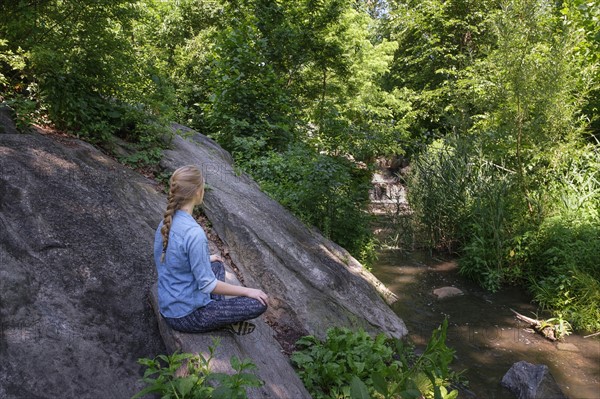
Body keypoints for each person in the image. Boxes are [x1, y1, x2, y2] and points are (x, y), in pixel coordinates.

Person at [153, 165, 268, 335]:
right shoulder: (194, 233)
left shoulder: (166, 223)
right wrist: (248, 290)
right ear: (198, 192)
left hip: (170, 304)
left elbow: (174, 259)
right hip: (187, 316)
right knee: (259, 302)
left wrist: (207, 259)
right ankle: (221, 318)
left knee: (217, 264)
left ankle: (220, 314)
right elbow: (208, 284)